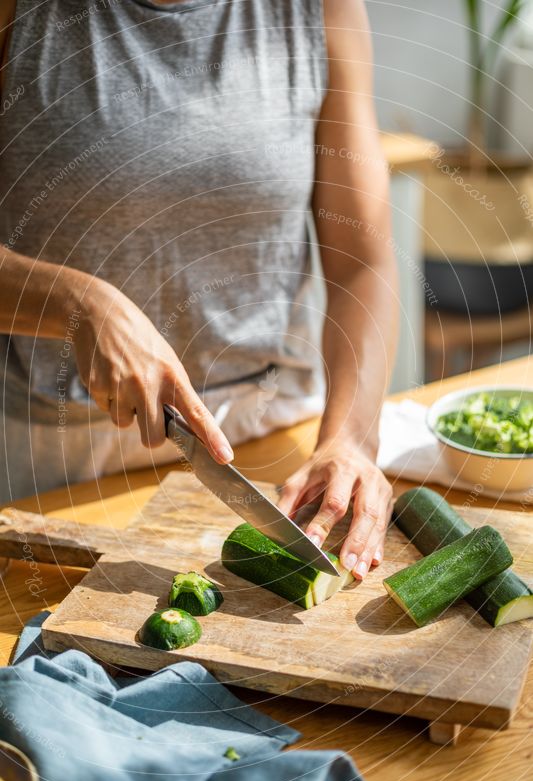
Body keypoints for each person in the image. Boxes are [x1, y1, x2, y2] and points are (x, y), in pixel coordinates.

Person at [0, 0, 398, 580]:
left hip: (275, 447)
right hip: (57, 460)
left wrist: (351, 440)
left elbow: (362, 259)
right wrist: (78, 306)